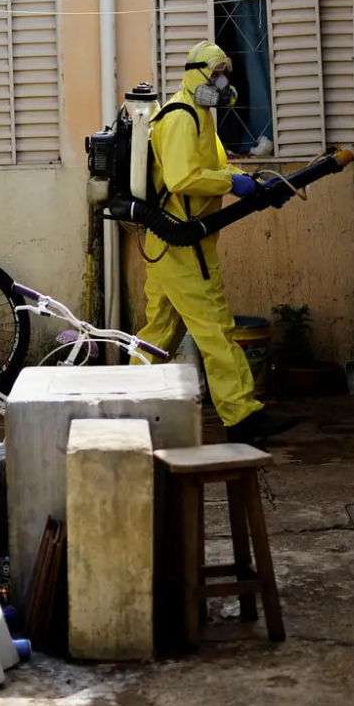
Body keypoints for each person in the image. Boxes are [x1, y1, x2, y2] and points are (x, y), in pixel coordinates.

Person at [136, 40, 299, 445]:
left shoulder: (202, 115)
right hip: (180, 242)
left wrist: (254, 183)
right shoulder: (180, 118)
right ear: (197, 74)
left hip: (178, 242)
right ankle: (240, 413)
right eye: (215, 73)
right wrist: (234, 184)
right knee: (215, 328)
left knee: (159, 332)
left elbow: (216, 166)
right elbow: (182, 179)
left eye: (226, 72)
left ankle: (126, 405)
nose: (222, 80)